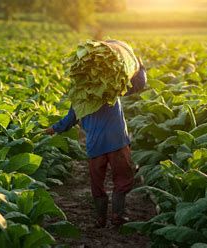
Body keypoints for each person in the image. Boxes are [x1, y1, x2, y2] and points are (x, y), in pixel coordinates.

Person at [45, 59, 147, 228]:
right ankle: (117, 216)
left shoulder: (80, 96)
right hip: (117, 142)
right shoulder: (112, 87)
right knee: (123, 178)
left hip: (95, 145)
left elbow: (69, 120)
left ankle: (100, 220)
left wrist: (52, 129)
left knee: (97, 182)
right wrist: (140, 66)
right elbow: (138, 84)